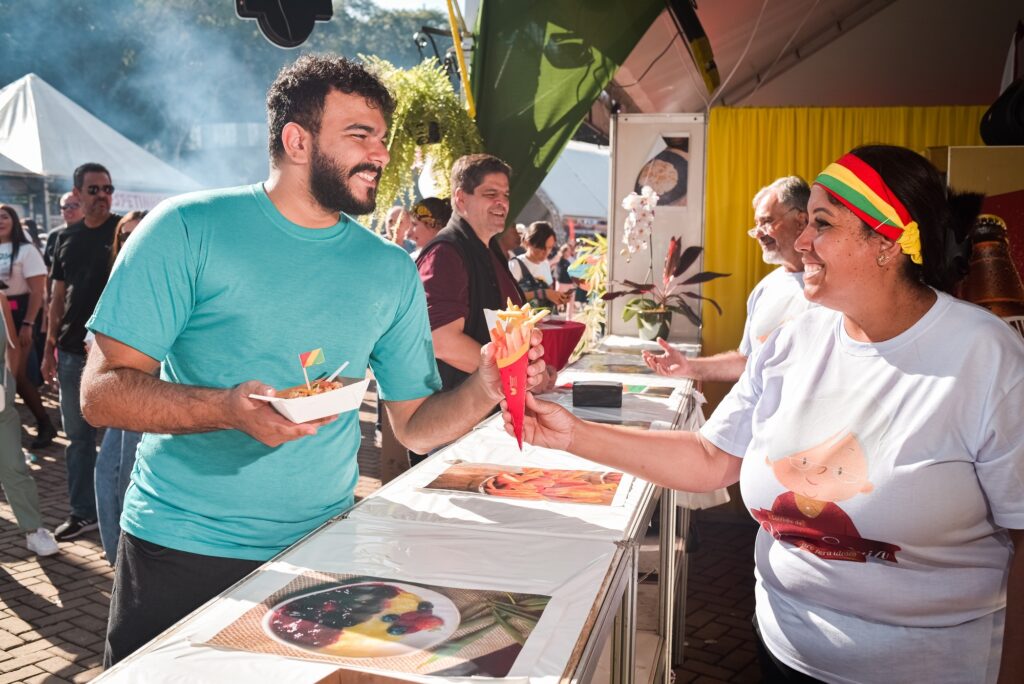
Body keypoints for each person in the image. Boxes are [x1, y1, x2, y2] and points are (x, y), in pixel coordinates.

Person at [79, 55, 547, 667]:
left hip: (324, 548)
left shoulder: (390, 269)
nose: (380, 154)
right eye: (360, 135)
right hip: (180, 547)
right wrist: (226, 408)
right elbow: (101, 392)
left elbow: (415, 422)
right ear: (296, 140)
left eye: (382, 138)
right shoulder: (187, 228)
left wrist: (486, 384)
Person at [506, 145, 1023, 683]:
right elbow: (711, 458)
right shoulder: (794, 340)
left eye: (821, 224)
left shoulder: (986, 358)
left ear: (887, 242)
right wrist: (574, 436)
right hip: (783, 652)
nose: (801, 241)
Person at [643, 176, 812, 382]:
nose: (758, 234)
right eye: (756, 225)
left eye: (767, 222)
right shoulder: (765, 289)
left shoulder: (834, 287)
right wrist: (688, 366)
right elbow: (746, 362)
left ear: (802, 220)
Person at [43, 162, 121, 542]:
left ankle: (121, 515)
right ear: (77, 194)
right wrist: (47, 351)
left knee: (120, 442)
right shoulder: (64, 239)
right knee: (78, 439)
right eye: (94, 189)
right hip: (72, 352)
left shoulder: (124, 231)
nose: (102, 195)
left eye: (107, 188)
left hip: (116, 356)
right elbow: (57, 299)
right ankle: (83, 513)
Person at [416, 154, 526, 392]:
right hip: (457, 412)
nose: (502, 202)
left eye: (505, 195)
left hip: (488, 404)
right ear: (461, 199)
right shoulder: (445, 254)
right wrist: (513, 377)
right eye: (490, 194)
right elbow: (442, 341)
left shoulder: (488, 249)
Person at [93, 210, 146, 565]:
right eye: (124, 236)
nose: (130, 242)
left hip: (146, 392)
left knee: (126, 474)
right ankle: (117, 558)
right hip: (119, 391)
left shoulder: (158, 274)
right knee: (107, 471)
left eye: (137, 234)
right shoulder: (120, 276)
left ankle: (125, 561)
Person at [0, 291, 59, 556]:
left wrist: (9, 386)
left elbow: (12, 346)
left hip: (1, 408)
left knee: (14, 468)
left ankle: (33, 530)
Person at [0, 204, 58, 448]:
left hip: (22, 314)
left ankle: (45, 423)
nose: (0, 221)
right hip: (1, 313)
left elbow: (38, 291)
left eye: (4, 216)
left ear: (14, 221)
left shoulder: (26, 250)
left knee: (17, 375)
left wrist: (28, 323)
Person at [507, 221, 571, 311]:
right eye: (541, 247)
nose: (545, 252)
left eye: (549, 248)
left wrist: (558, 297)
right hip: (524, 322)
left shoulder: (545, 264)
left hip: (547, 321)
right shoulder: (516, 265)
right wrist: (543, 293)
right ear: (528, 243)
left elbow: (547, 294)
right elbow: (509, 297)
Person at [43, 192, 83, 270]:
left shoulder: (92, 234)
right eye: (65, 207)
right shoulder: (53, 235)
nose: (69, 210)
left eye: (74, 206)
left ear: (84, 208)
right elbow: (48, 268)